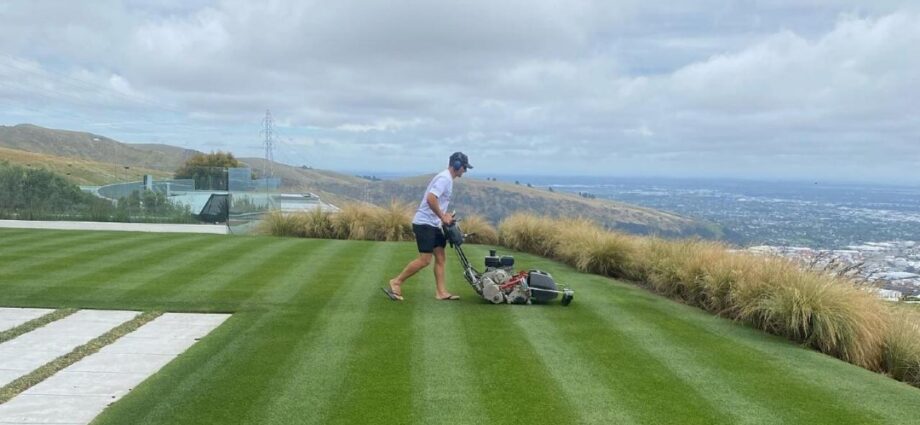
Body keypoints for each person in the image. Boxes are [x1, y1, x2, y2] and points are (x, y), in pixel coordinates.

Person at [385, 152, 473, 301]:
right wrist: (442, 216)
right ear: (457, 165)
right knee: (425, 260)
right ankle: (396, 281)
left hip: (434, 224)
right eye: (464, 167)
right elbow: (431, 199)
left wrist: (446, 216)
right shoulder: (444, 178)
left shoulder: (448, 179)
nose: (465, 171)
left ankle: (441, 292)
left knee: (440, 257)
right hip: (424, 223)